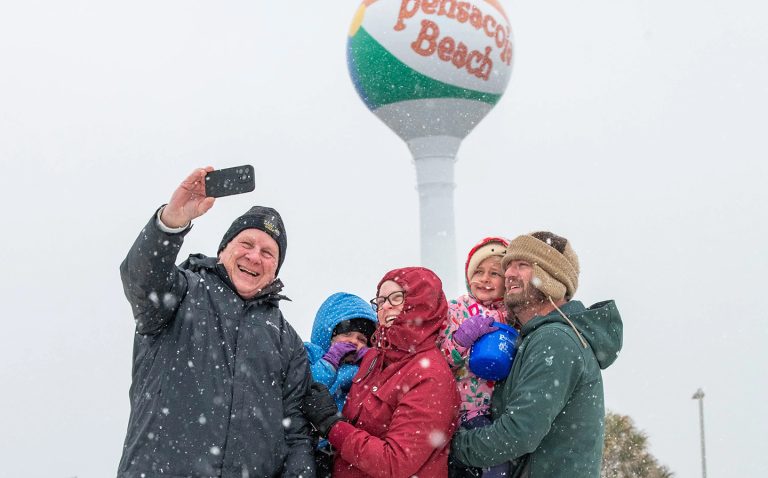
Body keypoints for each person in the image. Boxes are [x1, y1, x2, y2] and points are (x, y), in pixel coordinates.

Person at [117, 167, 314, 478]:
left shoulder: (287, 342)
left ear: (275, 271)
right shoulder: (182, 291)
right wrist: (171, 222)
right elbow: (142, 280)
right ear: (223, 250)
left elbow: (296, 436)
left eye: (267, 253)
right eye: (246, 244)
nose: (254, 256)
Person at [450, 231, 624, 477]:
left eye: (522, 265)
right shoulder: (533, 338)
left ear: (551, 277)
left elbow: (518, 433)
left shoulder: (555, 340)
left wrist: (451, 447)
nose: (509, 273)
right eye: (508, 265)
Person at [301, 267, 461, 477]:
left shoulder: (430, 375)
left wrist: (331, 425)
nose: (385, 306)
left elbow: (395, 462)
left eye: (396, 298)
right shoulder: (374, 359)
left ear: (422, 304)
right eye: (380, 300)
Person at [439, 237, 511, 478]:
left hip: (497, 410)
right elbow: (442, 360)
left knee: (501, 466)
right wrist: (462, 339)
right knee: (494, 465)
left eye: (494, 273)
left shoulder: (512, 315)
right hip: (465, 409)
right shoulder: (456, 309)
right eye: (478, 271)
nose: (485, 279)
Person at [303, 292, 378, 477]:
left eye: (362, 339)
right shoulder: (310, 355)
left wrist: (369, 361)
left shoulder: (363, 370)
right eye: (347, 334)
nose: (354, 341)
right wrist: (330, 363)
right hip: (309, 445)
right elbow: (306, 389)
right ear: (329, 334)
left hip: (342, 447)